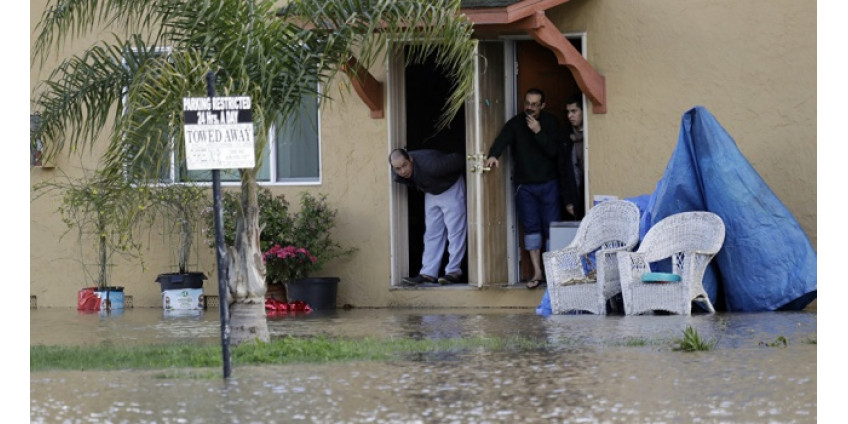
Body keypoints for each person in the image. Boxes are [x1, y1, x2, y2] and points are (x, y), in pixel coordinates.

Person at [484, 88, 561, 289]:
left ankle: (553, 274)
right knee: (531, 228)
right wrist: (493, 155)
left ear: (542, 106)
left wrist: (539, 132)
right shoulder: (516, 123)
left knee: (551, 228)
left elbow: (555, 152)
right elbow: (502, 139)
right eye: (527, 103)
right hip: (525, 186)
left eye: (535, 104)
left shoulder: (551, 122)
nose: (530, 108)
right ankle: (537, 272)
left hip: (549, 183)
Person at [389, 148, 467, 286]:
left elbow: (459, 158)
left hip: (451, 187)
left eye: (404, 166)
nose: (402, 171)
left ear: (410, 160)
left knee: (455, 231)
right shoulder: (398, 175)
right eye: (398, 168)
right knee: (431, 233)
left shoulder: (432, 165)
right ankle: (428, 274)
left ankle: (453, 272)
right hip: (431, 191)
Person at [558, 95, 585, 220]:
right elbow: (563, 171)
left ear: (583, 111)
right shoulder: (565, 137)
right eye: (568, 112)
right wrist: (568, 201)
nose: (570, 116)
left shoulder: (591, 135)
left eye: (574, 111)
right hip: (574, 193)